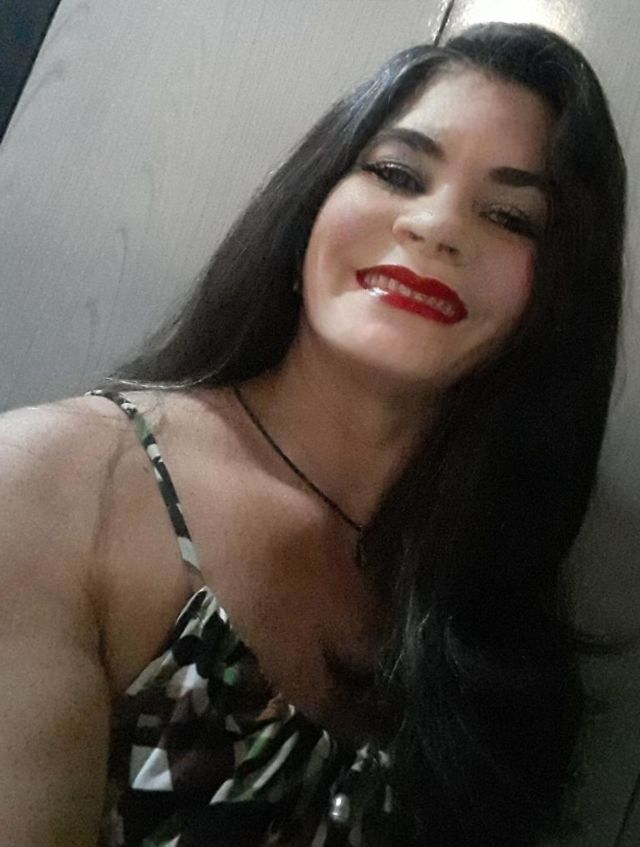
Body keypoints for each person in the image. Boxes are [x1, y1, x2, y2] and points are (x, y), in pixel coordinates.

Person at [0, 20, 626, 847]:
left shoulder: (496, 605)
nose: (438, 227)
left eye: (511, 216)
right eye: (397, 173)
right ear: (310, 211)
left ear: (554, 301)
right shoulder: (50, 485)